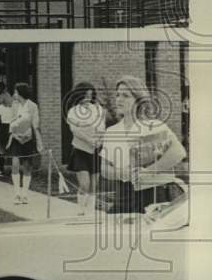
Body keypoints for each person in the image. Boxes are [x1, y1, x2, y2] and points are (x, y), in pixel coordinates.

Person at [99, 76, 187, 214]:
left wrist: (149, 170)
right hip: (124, 194)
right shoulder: (111, 132)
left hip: (156, 192)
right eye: (118, 95)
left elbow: (178, 152)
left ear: (139, 100)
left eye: (126, 95)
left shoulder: (154, 126)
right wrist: (121, 173)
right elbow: (104, 168)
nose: (119, 99)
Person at [65, 81, 106, 215]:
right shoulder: (73, 111)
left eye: (90, 95)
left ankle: (91, 211)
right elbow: (75, 130)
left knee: (94, 185)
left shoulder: (98, 109)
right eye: (85, 95)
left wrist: (99, 141)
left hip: (96, 150)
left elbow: (102, 128)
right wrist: (89, 140)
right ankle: (81, 209)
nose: (88, 98)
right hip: (80, 150)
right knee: (85, 184)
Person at [7, 82, 42, 205]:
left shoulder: (33, 106)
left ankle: (25, 194)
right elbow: (11, 122)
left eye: (15, 92)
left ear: (20, 93)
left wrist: (33, 137)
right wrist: (14, 134)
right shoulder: (14, 106)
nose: (14, 94)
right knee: (15, 164)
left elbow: (35, 124)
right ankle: (17, 193)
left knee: (27, 167)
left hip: (28, 139)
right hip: (16, 139)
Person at [0, 82, 14, 175]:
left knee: (2, 149)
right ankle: (14, 170)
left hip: (4, 127)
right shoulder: (13, 107)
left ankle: (1, 170)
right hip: (12, 126)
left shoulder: (0, 107)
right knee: (13, 149)